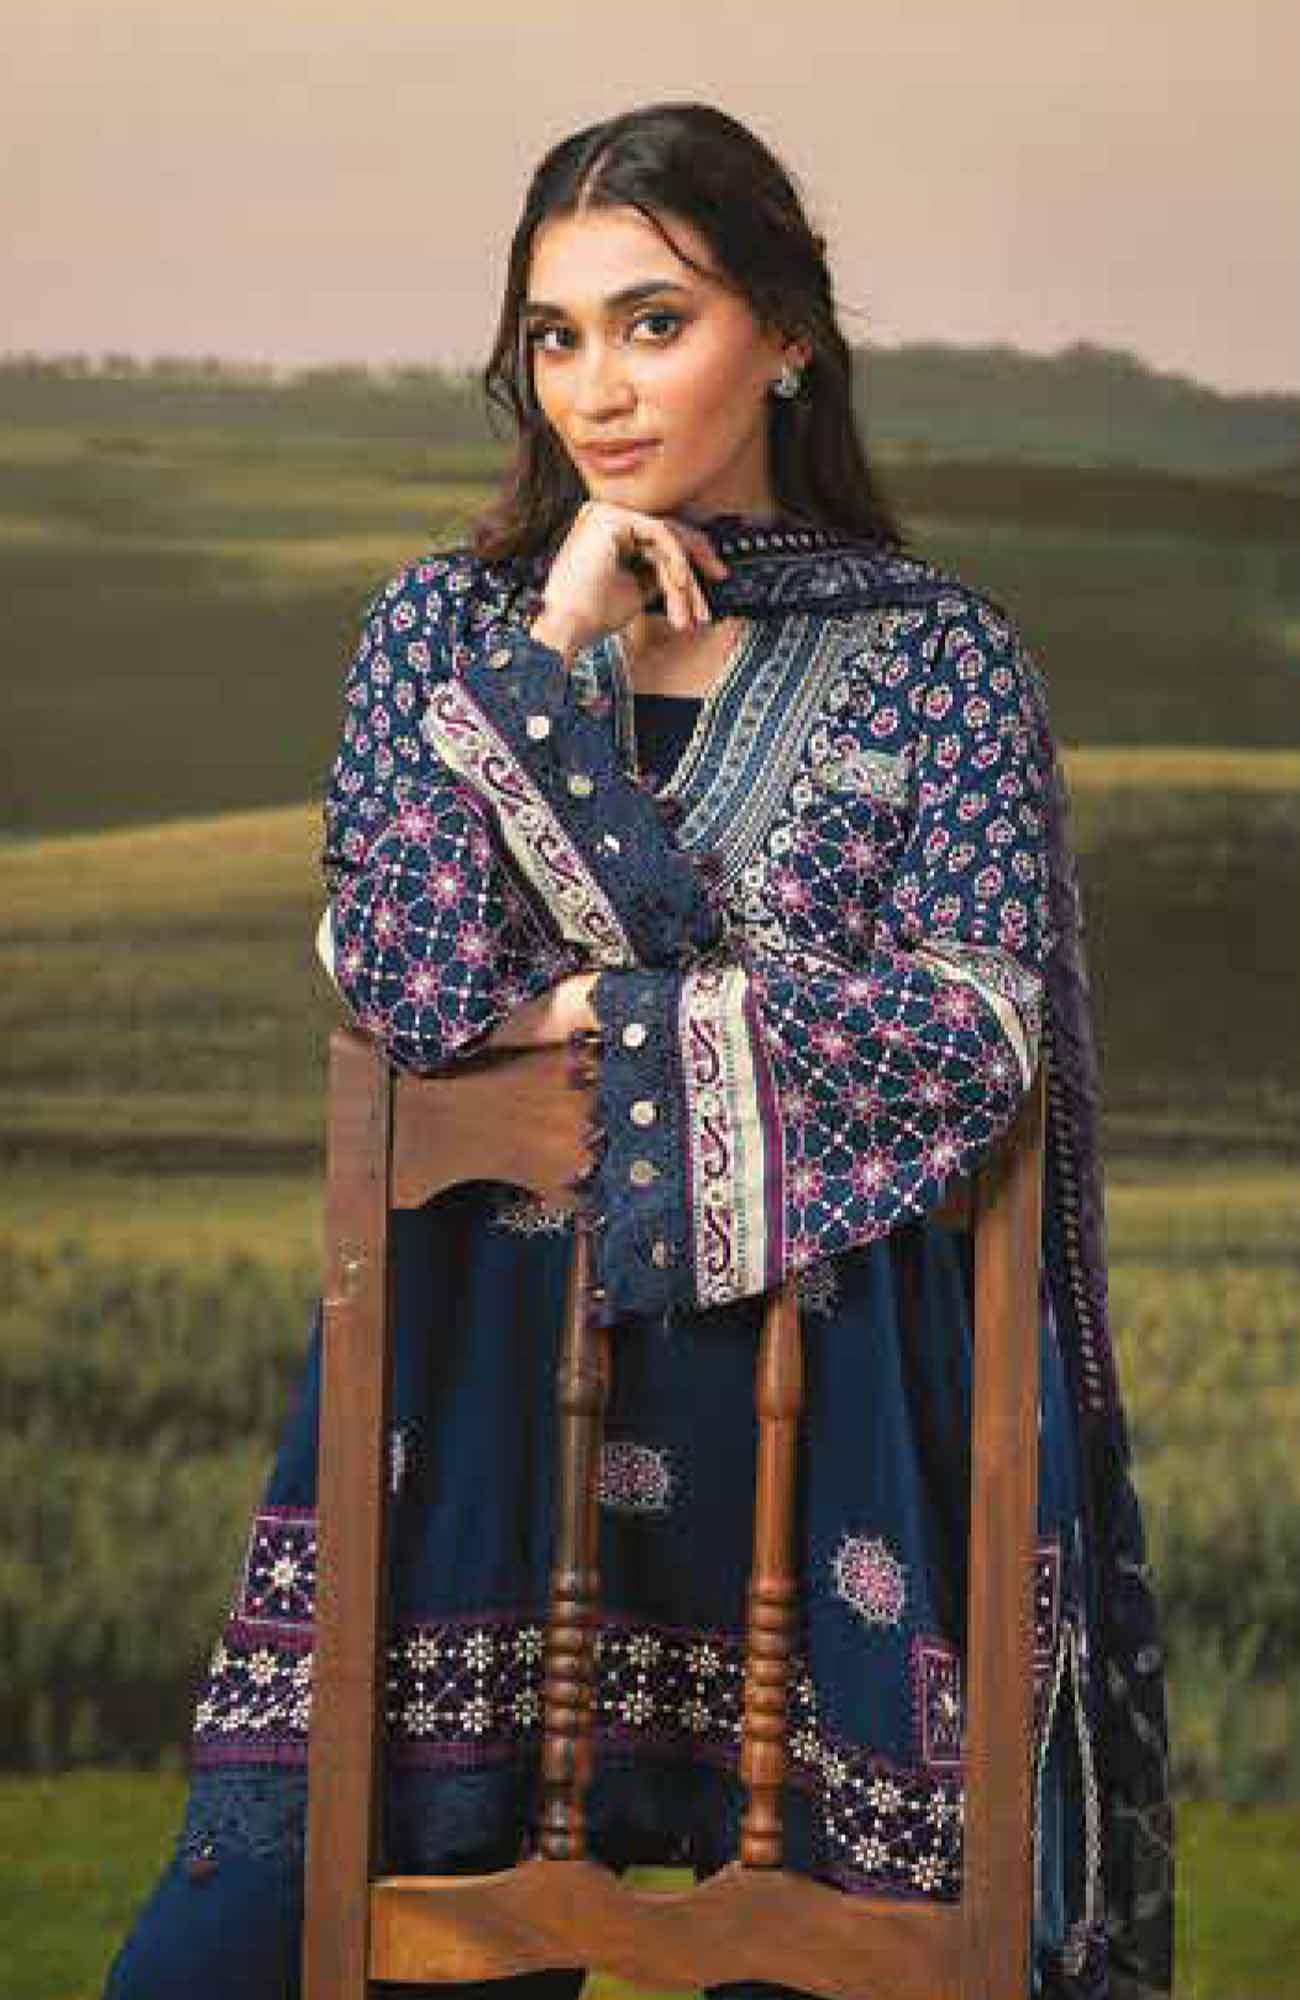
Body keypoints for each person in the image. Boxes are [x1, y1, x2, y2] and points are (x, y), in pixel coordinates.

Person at [102, 100, 1173, 2000]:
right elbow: (401, 976)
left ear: (789, 333)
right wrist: (546, 650)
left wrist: (590, 1010)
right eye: (555, 336)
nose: (595, 387)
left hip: (830, 1482)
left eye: (654, 322)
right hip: (477, 1449)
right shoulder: (447, 631)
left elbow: (969, 1033)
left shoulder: (943, 664)